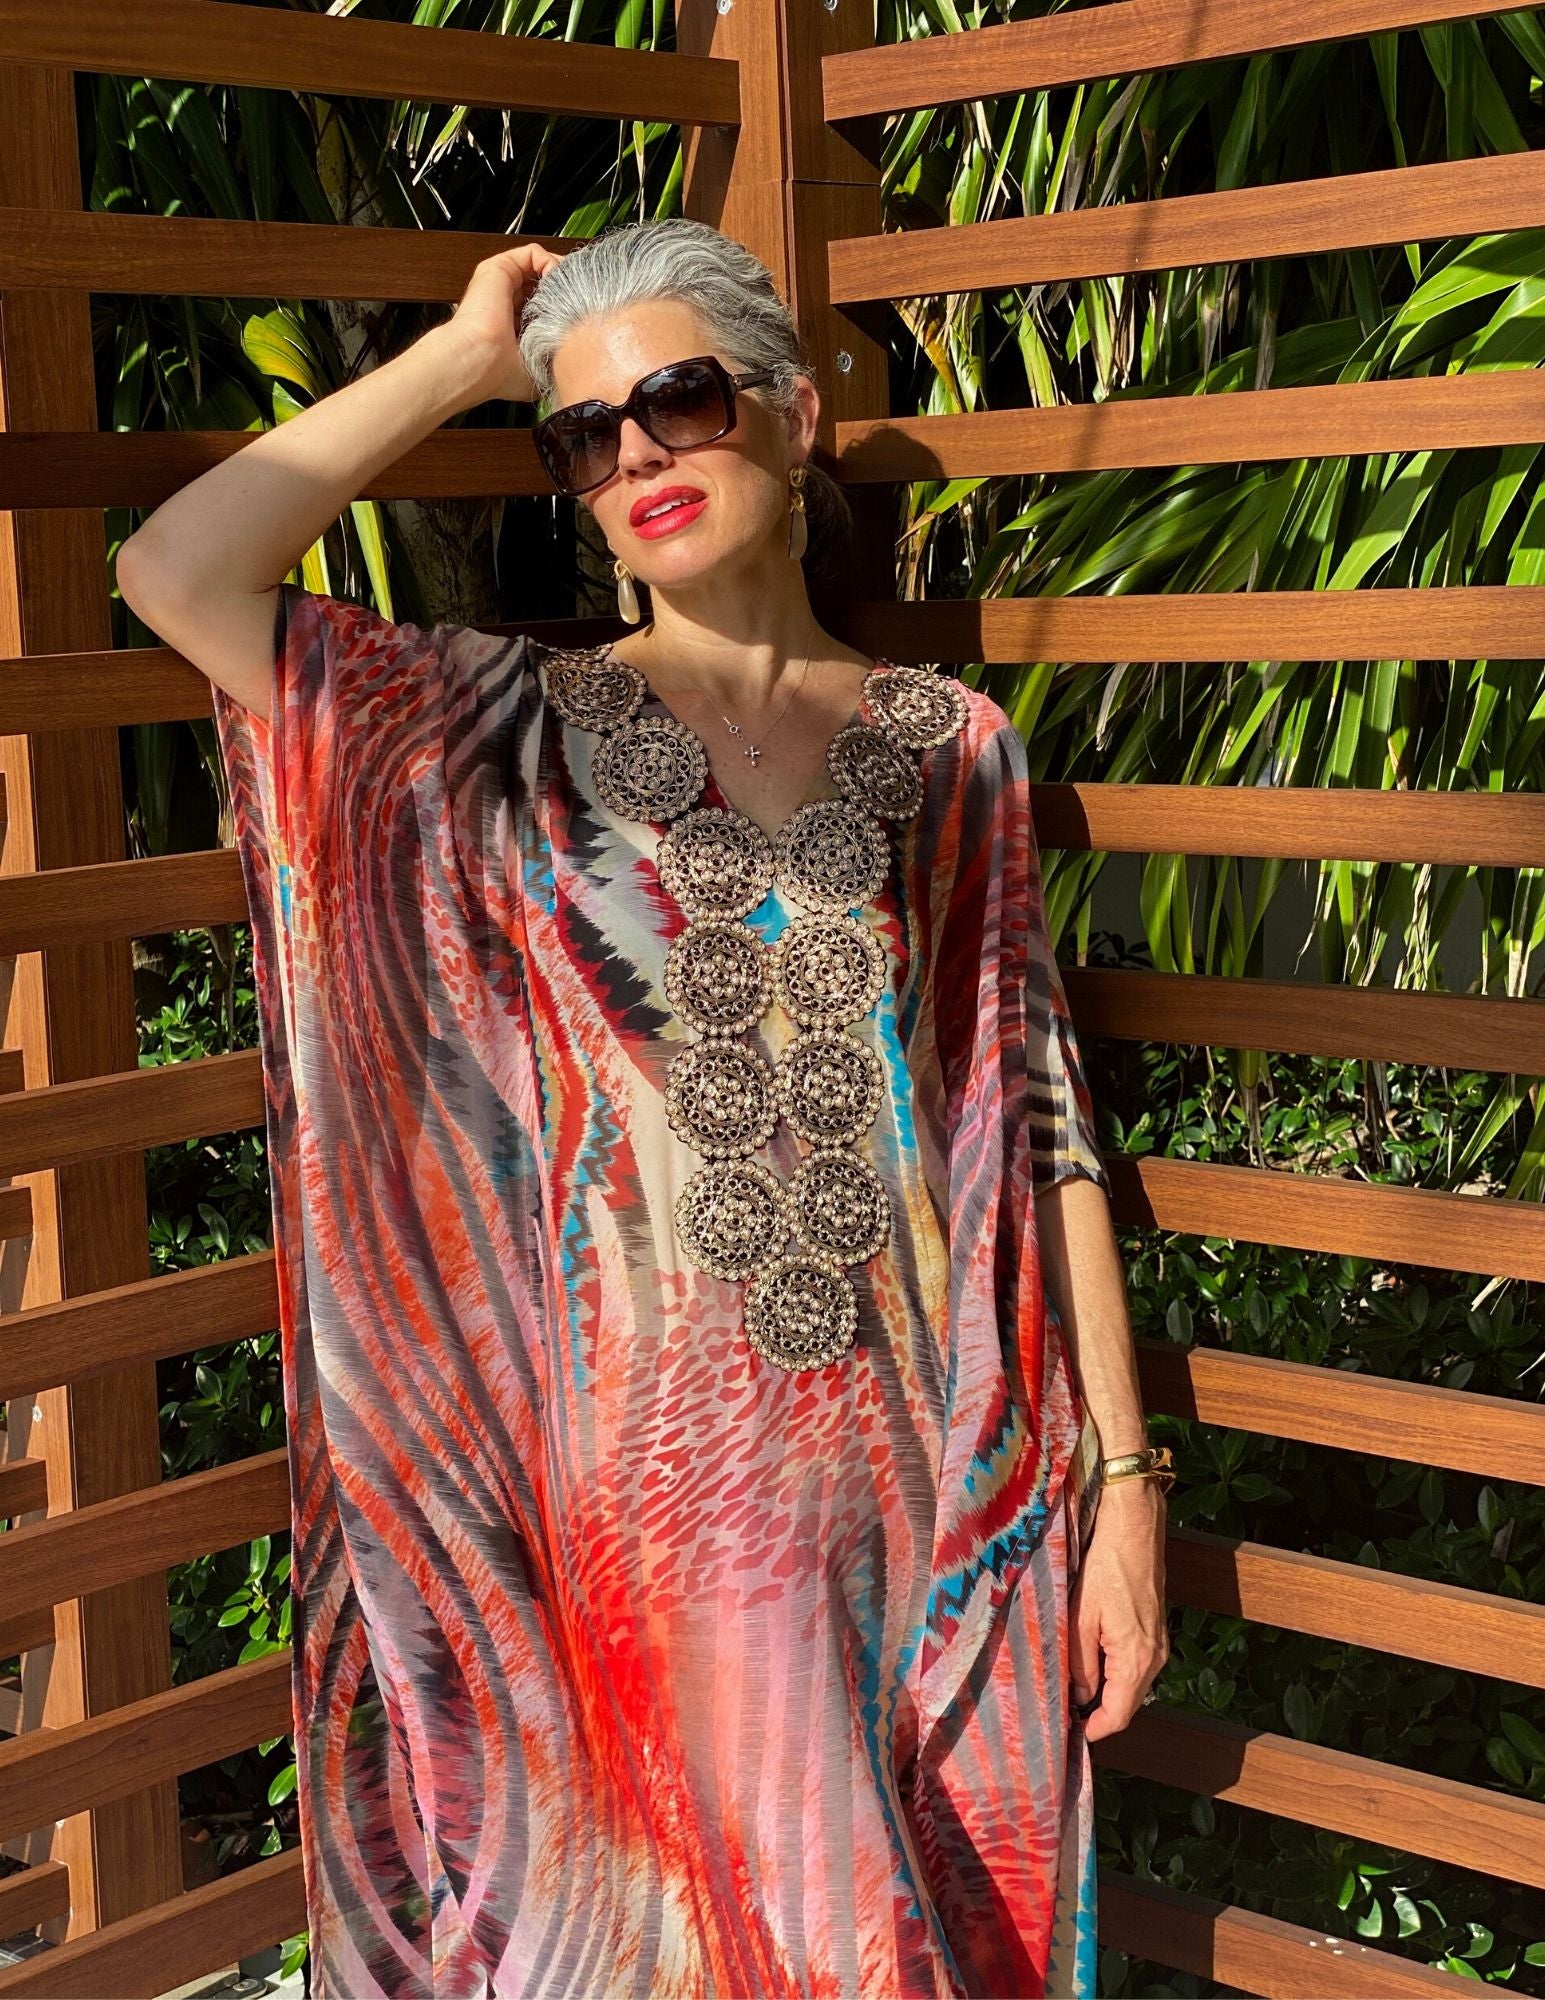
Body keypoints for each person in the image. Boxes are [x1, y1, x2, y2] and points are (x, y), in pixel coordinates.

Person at [117, 216, 1170, 2000]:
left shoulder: (947, 745)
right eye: (584, 437)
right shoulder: (498, 731)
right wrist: (467, 359)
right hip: (655, 1519)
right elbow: (176, 567)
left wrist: (1122, 1492)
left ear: (795, 414)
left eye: (678, 401)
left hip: (936, 1481)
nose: (635, 458)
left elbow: (1034, 1114)